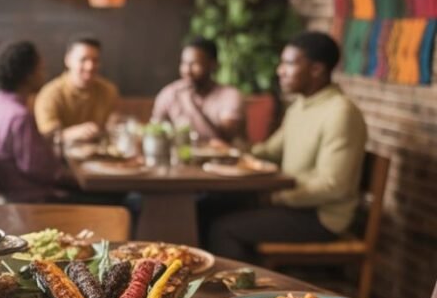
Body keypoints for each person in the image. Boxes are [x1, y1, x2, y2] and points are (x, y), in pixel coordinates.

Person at [207, 31, 367, 261]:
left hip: (321, 217)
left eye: (289, 64)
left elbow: (334, 186)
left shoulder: (341, 112)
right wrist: (232, 145)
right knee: (208, 206)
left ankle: (248, 284)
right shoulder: (300, 106)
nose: (279, 70)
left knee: (223, 229)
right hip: (294, 205)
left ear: (316, 69)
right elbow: (268, 152)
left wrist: (277, 198)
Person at [0, 41, 76, 203]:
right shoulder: (20, 116)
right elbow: (40, 169)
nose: (44, 74)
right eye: (41, 69)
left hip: (9, 194)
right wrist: (66, 171)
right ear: (28, 75)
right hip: (30, 201)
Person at [152, 37, 245, 143]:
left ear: (213, 65)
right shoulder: (169, 93)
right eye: (184, 63)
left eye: (195, 64)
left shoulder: (230, 96)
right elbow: (155, 130)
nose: (187, 70)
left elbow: (226, 138)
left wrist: (191, 103)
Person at [34, 36, 120, 144]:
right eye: (83, 60)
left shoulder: (109, 90)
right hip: (62, 154)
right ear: (68, 60)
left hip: (100, 153)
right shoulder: (49, 94)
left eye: (95, 60)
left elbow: (114, 126)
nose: (90, 66)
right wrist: (72, 133)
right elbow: (47, 137)